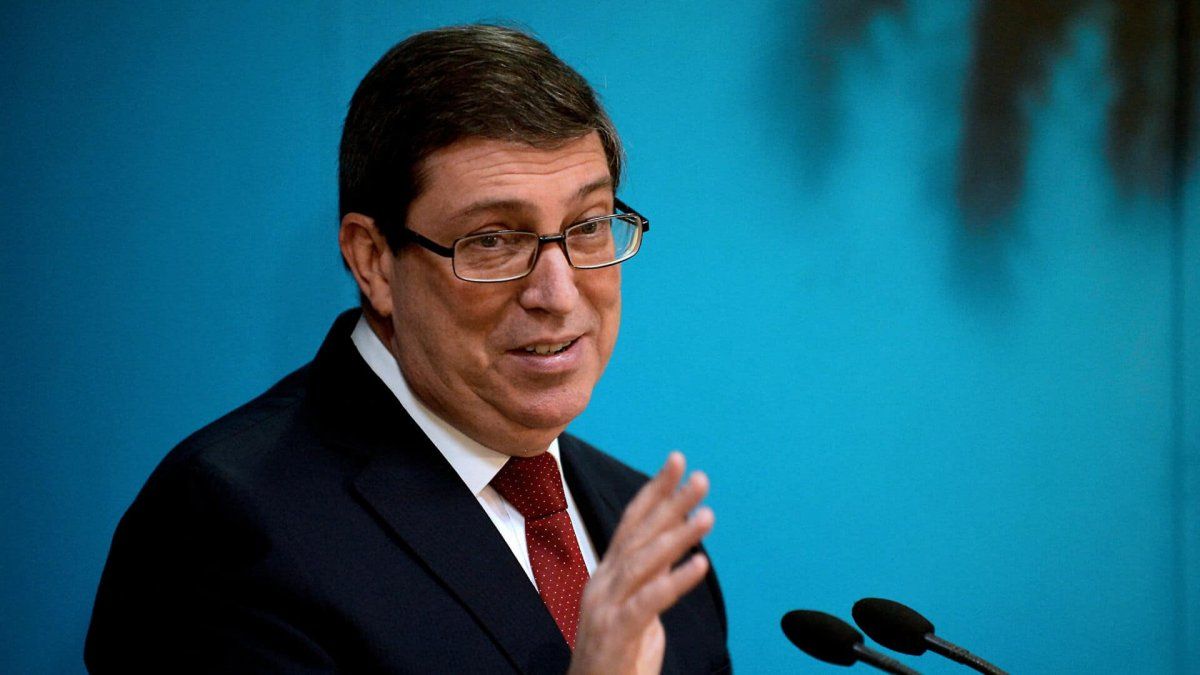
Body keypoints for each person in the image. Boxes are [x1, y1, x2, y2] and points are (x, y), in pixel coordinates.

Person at [85, 24, 730, 674]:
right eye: (492, 240)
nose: (558, 294)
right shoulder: (224, 525)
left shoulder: (651, 541)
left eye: (587, 226)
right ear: (373, 261)